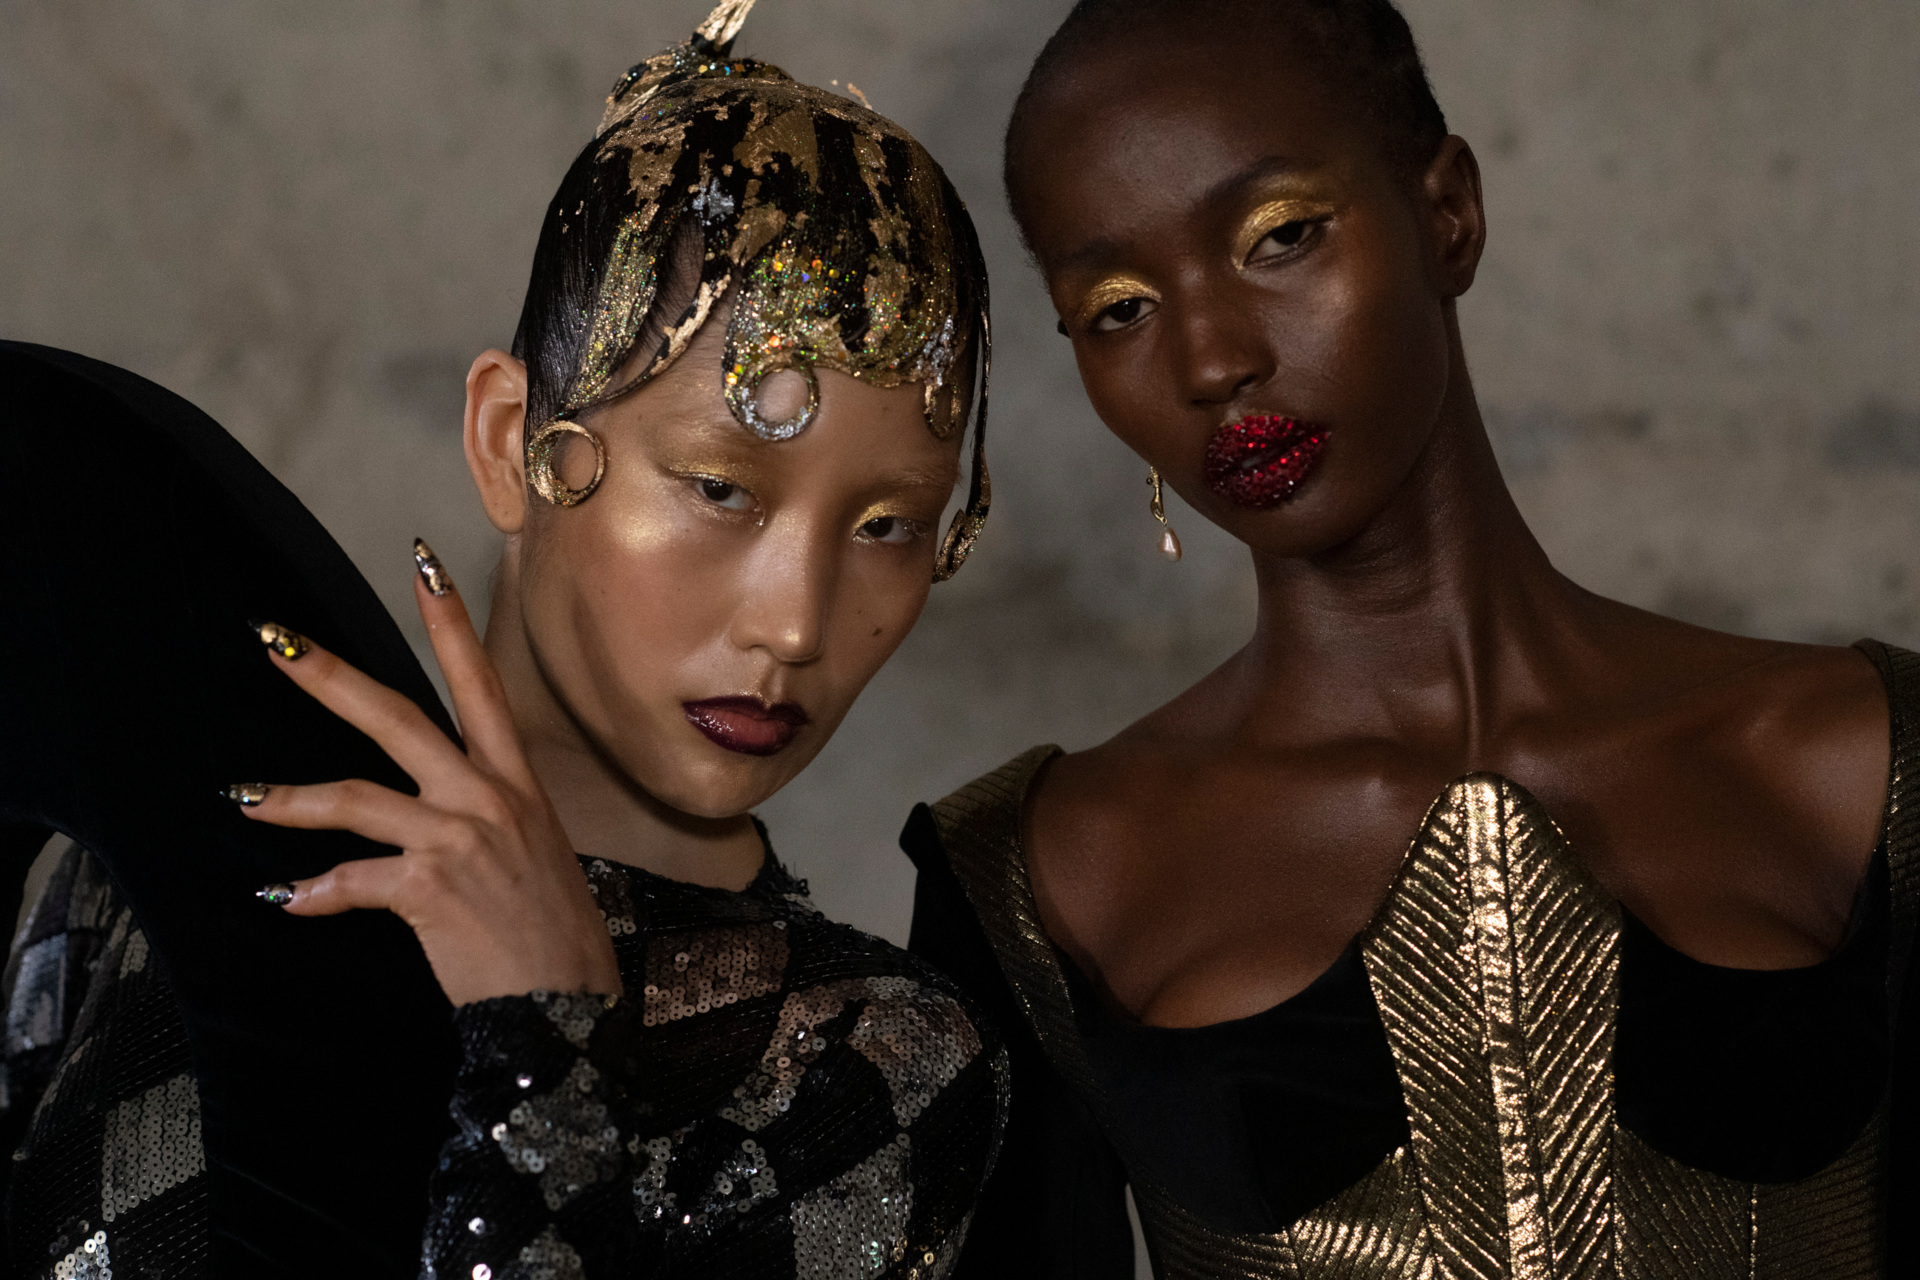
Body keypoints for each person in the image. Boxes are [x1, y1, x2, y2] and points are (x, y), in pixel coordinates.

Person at [902, 1, 1918, 1276]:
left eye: (1280, 236)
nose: (1212, 357)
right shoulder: (1044, 875)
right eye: (1117, 307)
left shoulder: (1866, 764)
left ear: (1448, 214)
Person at [0, 2, 1003, 1276]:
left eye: (888, 526)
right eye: (721, 488)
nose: (795, 622)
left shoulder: (870, 1062)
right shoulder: (184, 849)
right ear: (510, 441)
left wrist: (544, 1030)